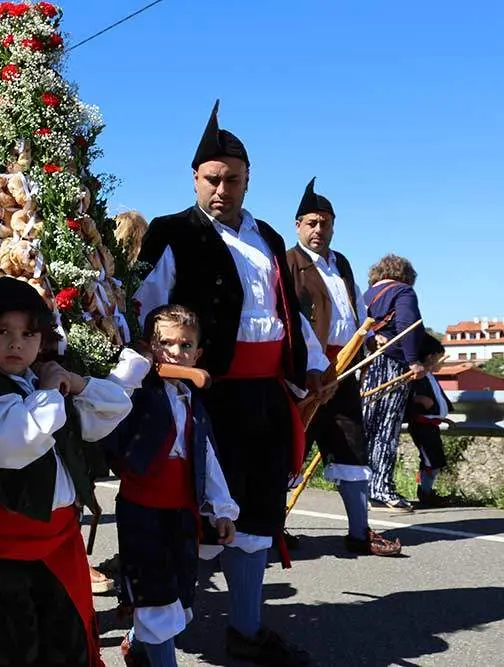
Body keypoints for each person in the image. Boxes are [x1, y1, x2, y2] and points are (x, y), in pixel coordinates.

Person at [135, 100, 331, 665]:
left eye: (234, 180)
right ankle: (152, 636)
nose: (222, 190)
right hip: (205, 396)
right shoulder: (171, 233)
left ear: (249, 180)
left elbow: (286, 309)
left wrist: (312, 362)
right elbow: (144, 315)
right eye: (213, 179)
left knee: (258, 513)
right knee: (198, 515)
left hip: (266, 396)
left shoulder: (267, 235)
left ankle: (246, 629)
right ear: (195, 178)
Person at [0, 257, 131, 667]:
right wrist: (50, 390)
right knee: (15, 653)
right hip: (10, 554)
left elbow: (115, 408)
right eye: (3, 332)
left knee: (66, 650)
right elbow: (18, 444)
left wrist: (77, 383)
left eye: (28, 334)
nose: (16, 344)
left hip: (60, 545)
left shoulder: (40, 385)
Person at [109, 304, 238, 667]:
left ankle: (137, 644)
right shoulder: (136, 391)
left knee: (180, 597)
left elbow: (206, 456)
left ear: (197, 354)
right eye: (165, 343)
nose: (175, 352)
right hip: (141, 511)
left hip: (181, 512)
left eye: (185, 345)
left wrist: (222, 509)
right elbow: (108, 412)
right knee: (156, 600)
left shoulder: (192, 400)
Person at [286, 178, 401, 556]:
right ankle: (271, 529)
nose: (319, 229)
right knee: (290, 451)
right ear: (298, 225)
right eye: (312, 223)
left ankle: (359, 532)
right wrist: (310, 369)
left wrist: (367, 346)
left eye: (325, 223)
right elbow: (289, 320)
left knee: (352, 447)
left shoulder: (343, 263)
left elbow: (357, 312)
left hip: (346, 369)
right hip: (306, 373)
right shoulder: (287, 263)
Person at [361, 254, 426, 513]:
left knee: (366, 426)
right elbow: (407, 325)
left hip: (366, 365)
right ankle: (381, 489)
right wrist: (413, 361)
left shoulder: (366, 296)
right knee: (386, 428)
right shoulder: (403, 291)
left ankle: (361, 486)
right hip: (392, 363)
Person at [405, 334, 453, 508]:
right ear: (430, 357)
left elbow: (437, 399)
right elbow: (410, 396)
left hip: (431, 425)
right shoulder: (418, 376)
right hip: (422, 426)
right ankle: (425, 493)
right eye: (438, 359)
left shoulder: (429, 376)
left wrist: (442, 416)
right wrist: (419, 399)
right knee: (430, 461)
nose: (440, 364)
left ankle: (427, 491)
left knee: (434, 460)